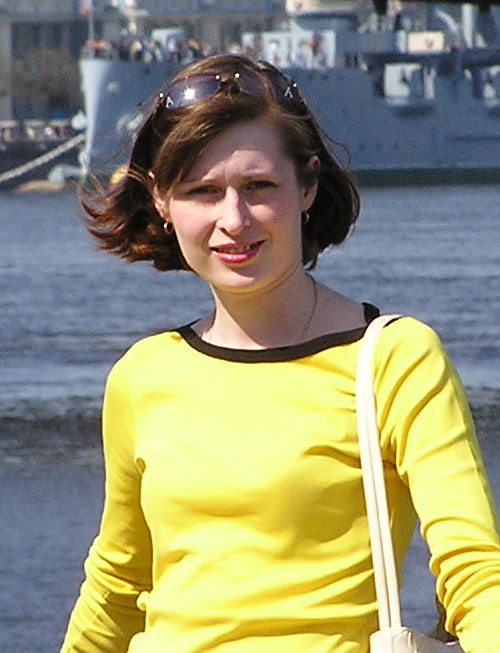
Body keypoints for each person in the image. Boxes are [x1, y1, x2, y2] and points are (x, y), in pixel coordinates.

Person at [60, 54, 500, 653]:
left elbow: (475, 571)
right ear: (161, 200)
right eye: (202, 191)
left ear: (307, 185)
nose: (233, 219)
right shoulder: (142, 375)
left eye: (258, 187)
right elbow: (117, 586)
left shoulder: (393, 359)